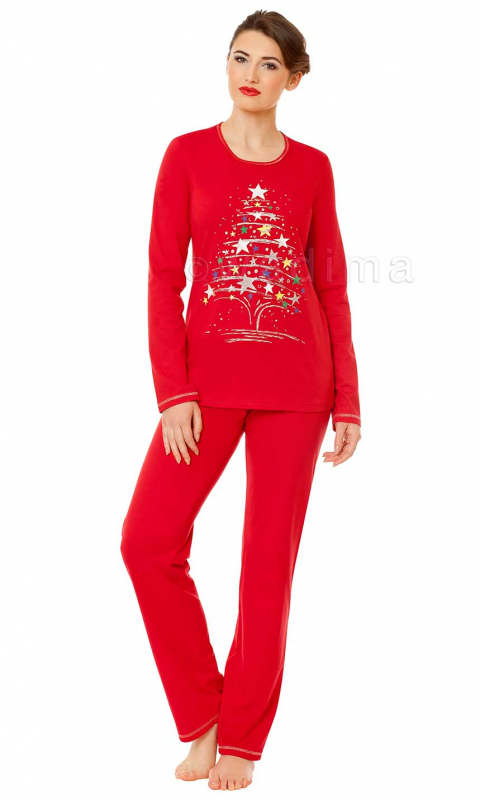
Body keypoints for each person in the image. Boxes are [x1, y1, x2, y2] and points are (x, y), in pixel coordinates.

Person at [120, 9, 361, 792]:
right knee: (147, 541)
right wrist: (174, 391)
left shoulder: (314, 167)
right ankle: (203, 716)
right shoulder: (186, 155)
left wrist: (349, 398)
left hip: (298, 392)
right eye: (239, 57)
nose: (249, 74)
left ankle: (243, 740)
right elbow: (164, 278)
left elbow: (330, 283)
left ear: (294, 78)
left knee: (265, 571)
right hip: (205, 391)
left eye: (267, 64)